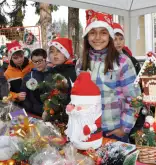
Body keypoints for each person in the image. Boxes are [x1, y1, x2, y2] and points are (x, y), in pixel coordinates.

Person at [76, 9, 141, 142]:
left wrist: (124, 128)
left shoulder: (122, 62)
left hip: (114, 131)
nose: (98, 37)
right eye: (93, 33)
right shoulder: (81, 62)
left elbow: (134, 98)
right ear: (87, 37)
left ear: (110, 36)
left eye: (103, 33)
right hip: (87, 128)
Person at [42, 38, 77, 122]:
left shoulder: (73, 72)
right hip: (53, 118)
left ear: (66, 54)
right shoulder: (50, 72)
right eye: (51, 51)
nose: (55, 54)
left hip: (69, 119)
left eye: (59, 51)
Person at [21, 49, 48, 117]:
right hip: (35, 113)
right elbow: (24, 95)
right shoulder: (28, 76)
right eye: (34, 61)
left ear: (46, 59)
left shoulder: (54, 74)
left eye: (40, 60)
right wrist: (31, 109)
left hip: (51, 112)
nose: (37, 64)